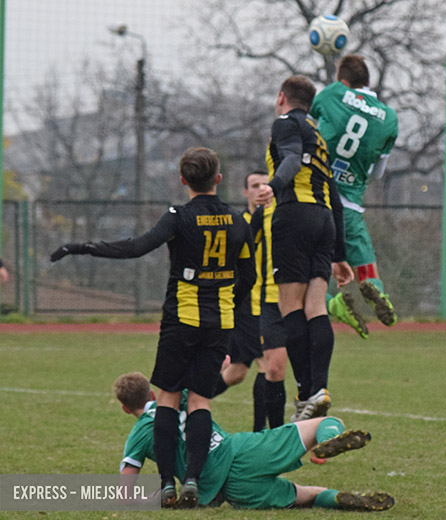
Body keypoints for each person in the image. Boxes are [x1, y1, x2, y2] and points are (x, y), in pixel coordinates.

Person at [51, 147, 256, 508]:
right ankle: (193, 477)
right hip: (218, 322)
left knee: (166, 398)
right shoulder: (239, 221)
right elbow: (249, 276)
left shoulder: (178, 217)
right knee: (200, 401)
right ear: (218, 180)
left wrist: (82, 247)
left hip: (181, 321)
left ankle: (167, 484)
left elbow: (136, 247)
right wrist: (228, 309)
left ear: (183, 180)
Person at [114, 372, 394, 511]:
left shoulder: (139, 434)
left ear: (126, 409)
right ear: (152, 394)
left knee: (301, 495)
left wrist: (163, 498)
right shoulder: (185, 395)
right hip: (240, 452)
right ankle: (329, 440)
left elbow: (125, 490)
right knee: (326, 422)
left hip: (222, 490)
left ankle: (334, 498)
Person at [256, 75, 353, 423]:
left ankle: (305, 393)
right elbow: (336, 198)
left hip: (294, 217)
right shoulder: (319, 134)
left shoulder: (283, 123)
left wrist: (273, 185)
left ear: (282, 97)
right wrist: (341, 254)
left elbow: (292, 158)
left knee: (290, 307)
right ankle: (320, 389)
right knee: (316, 308)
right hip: (323, 219)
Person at [310, 55, 400, 336]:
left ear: (342, 79)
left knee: (302, 277)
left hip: (314, 199)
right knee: (363, 258)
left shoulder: (333, 93)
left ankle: (332, 304)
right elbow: (377, 174)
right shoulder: (389, 117)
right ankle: (377, 290)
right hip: (349, 205)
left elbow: (307, 129)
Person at [213, 171, 287, 433]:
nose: (261, 190)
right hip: (246, 306)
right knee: (264, 365)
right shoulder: (240, 222)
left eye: (265, 184)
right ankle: (261, 432)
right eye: (254, 186)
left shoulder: (276, 220)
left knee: (237, 372)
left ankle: (191, 401)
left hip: (270, 302)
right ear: (245, 192)